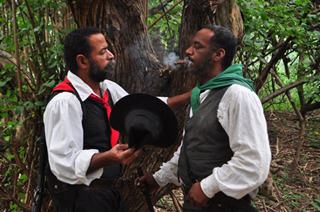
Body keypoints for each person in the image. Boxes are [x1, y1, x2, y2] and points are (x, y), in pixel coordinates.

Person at [43, 27, 190, 212]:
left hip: (109, 195)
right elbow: (63, 163)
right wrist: (109, 157)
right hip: (82, 201)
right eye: (103, 52)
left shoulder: (107, 89)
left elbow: (142, 106)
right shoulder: (65, 102)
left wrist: (189, 96)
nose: (111, 55)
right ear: (82, 61)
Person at [137, 24, 271, 211]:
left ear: (218, 55)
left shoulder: (238, 95)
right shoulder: (201, 96)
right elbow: (191, 149)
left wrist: (207, 187)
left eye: (198, 47)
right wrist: (158, 179)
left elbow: (253, 162)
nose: (188, 51)